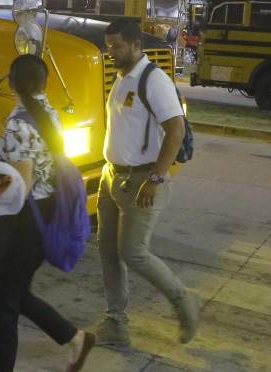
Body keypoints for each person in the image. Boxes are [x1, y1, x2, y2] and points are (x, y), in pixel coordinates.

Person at [93, 17, 200, 347]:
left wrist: (154, 178)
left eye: (117, 46)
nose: (111, 52)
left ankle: (184, 303)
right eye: (108, 46)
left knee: (134, 253)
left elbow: (176, 131)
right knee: (107, 251)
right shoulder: (121, 76)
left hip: (141, 179)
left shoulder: (153, 80)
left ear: (136, 44)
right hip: (112, 177)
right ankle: (116, 321)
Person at [0, 54, 95, 372]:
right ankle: (75, 338)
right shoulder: (48, 110)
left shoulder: (19, 123)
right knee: (15, 294)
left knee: (3, 305)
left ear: (11, 83)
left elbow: (20, 186)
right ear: (44, 83)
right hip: (47, 209)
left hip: (27, 219)